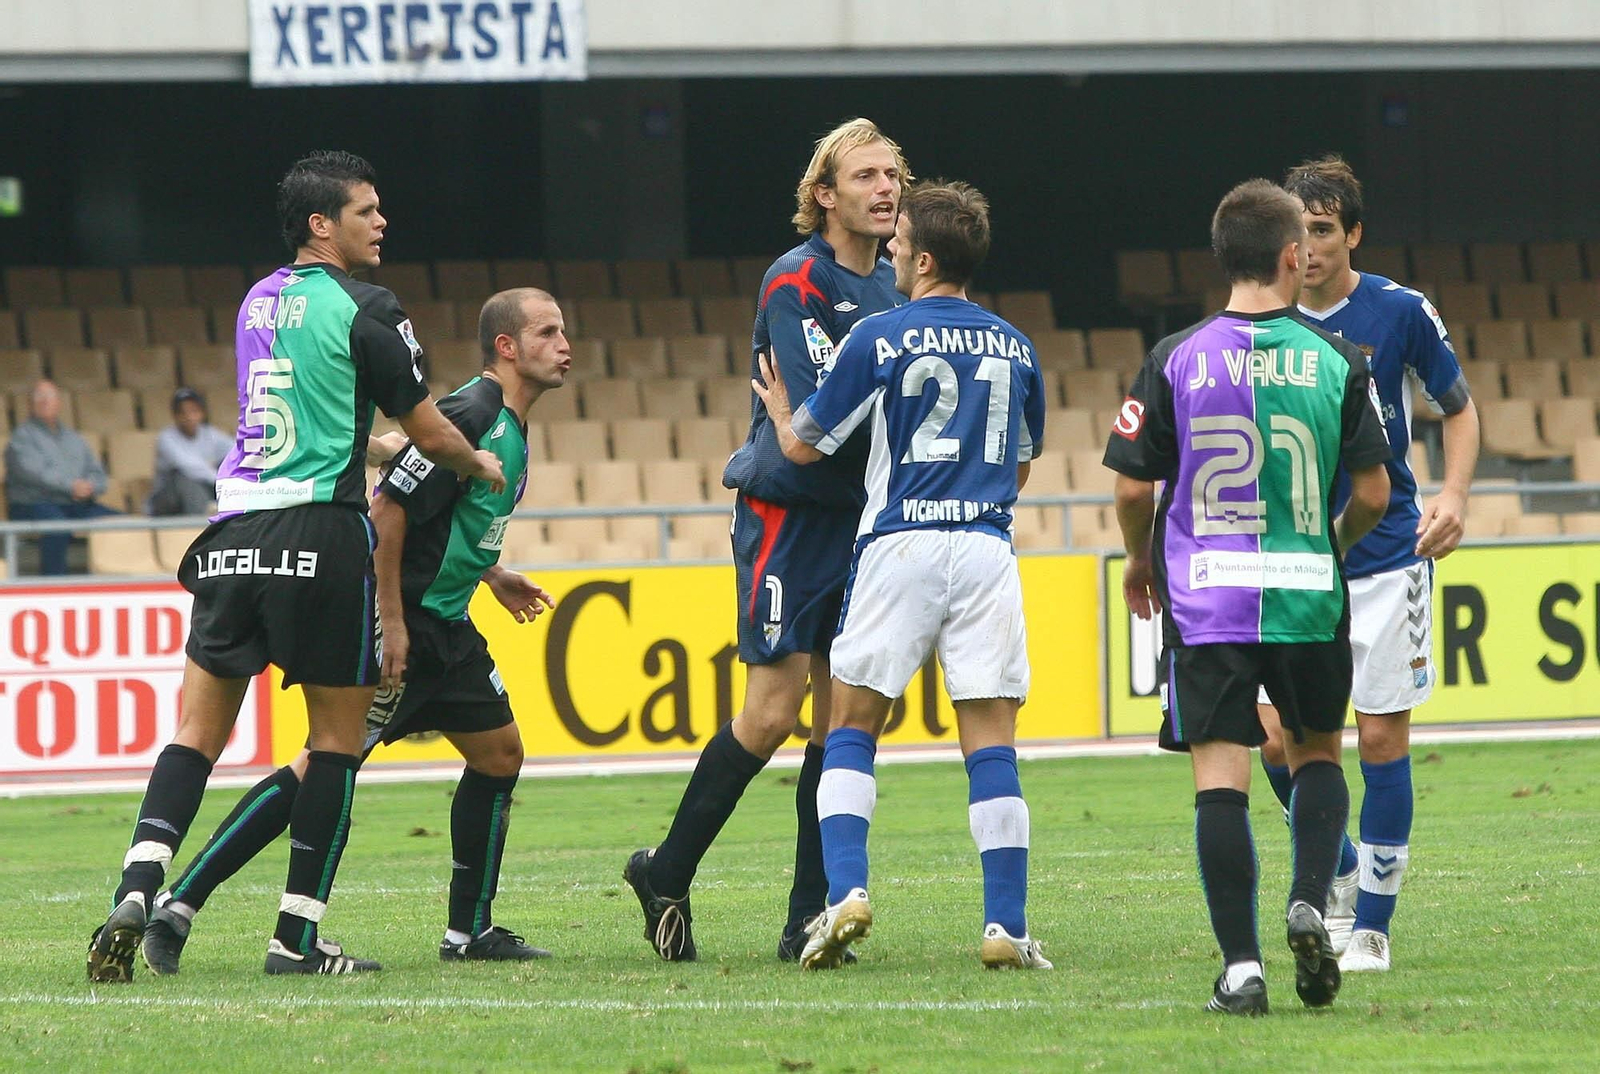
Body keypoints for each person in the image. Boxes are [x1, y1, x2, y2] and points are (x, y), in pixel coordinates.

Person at [86, 149, 506, 982]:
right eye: (367, 210)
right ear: (324, 225)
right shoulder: (369, 305)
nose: (381, 221)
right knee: (335, 744)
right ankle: (295, 939)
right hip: (318, 533)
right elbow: (432, 431)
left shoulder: (257, 299)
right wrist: (477, 465)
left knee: (195, 737)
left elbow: (311, 404)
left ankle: (139, 882)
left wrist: (370, 441)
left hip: (234, 531)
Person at [140, 288, 566, 973]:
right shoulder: (472, 412)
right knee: (319, 768)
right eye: (548, 333)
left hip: (450, 629)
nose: (565, 345)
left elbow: (444, 517)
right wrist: (390, 621)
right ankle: (179, 906)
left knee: (500, 755)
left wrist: (491, 573)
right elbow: (390, 506)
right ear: (508, 347)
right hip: (413, 629)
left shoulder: (505, 422)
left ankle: (469, 933)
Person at [1103, 179, 1393, 1015]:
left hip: (1207, 600)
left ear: (1223, 258)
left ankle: (1241, 969)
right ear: (1292, 256)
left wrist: (1138, 561)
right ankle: (1311, 898)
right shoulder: (1342, 361)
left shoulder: (1174, 357)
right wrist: (1326, 552)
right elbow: (1373, 493)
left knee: (1220, 781)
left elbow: (1130, 490)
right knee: (1315, 755)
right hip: (1307, 595)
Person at [624, 118, 910, 962]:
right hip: (789, 516)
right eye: (866, 176)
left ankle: (803, 922)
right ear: (824, 195)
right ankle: (666, 870)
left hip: (861, 523)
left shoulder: (898, 294)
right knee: (774, 711)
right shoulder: (797, 280)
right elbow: (821, 417)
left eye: (893, 174)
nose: (887, 188)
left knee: (845, 718)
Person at [751, 180, 1051, 971]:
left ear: (921, 259)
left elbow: (809, 446)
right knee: (992, 743)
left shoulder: (879, 337)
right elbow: (1021, 466)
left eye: (899, 239)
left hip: (900, 543)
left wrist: (781, 416)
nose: (888, 247)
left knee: (850, 727)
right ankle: (1005, 929)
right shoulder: (1017, 345)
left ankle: (846, 890)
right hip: (986, 548)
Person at [1256, 156, 1480, 973]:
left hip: (1386, 558)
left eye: (1323, 230)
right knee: (1274, 740)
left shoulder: (1398, 312)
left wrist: (1452, 494)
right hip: (1290, 561)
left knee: (1379, 740)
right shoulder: (1261, 316)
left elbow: (1457, 408)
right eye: (1298, 230)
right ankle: (1339, 861)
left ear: (1352, 232)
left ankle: (1374, 928)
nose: (1308, 247)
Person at [5, 379, 119, 574]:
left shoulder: (74, 438)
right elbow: (33, 473)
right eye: (39, 397)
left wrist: (90, 487)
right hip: (33, 504)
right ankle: (52, 586)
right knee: (57, 526)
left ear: (59, 402)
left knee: (123, 524)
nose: (44, 401)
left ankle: (120, 580)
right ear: (30, 404)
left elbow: (97, 472)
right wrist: (71, 486)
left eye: (50, 397)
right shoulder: (21, 438)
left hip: (75, 504)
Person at [148, 387, 232, 516]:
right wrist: (220, 481)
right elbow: (189, 467)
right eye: (183, 412)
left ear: (202, 413)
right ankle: (200, 525)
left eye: (194, 411)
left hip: (205, 490)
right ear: (175, 416)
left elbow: (236, 451)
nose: (189, 417)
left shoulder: (211, 434)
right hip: (167, 500)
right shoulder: (166, 438)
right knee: (186, 478)